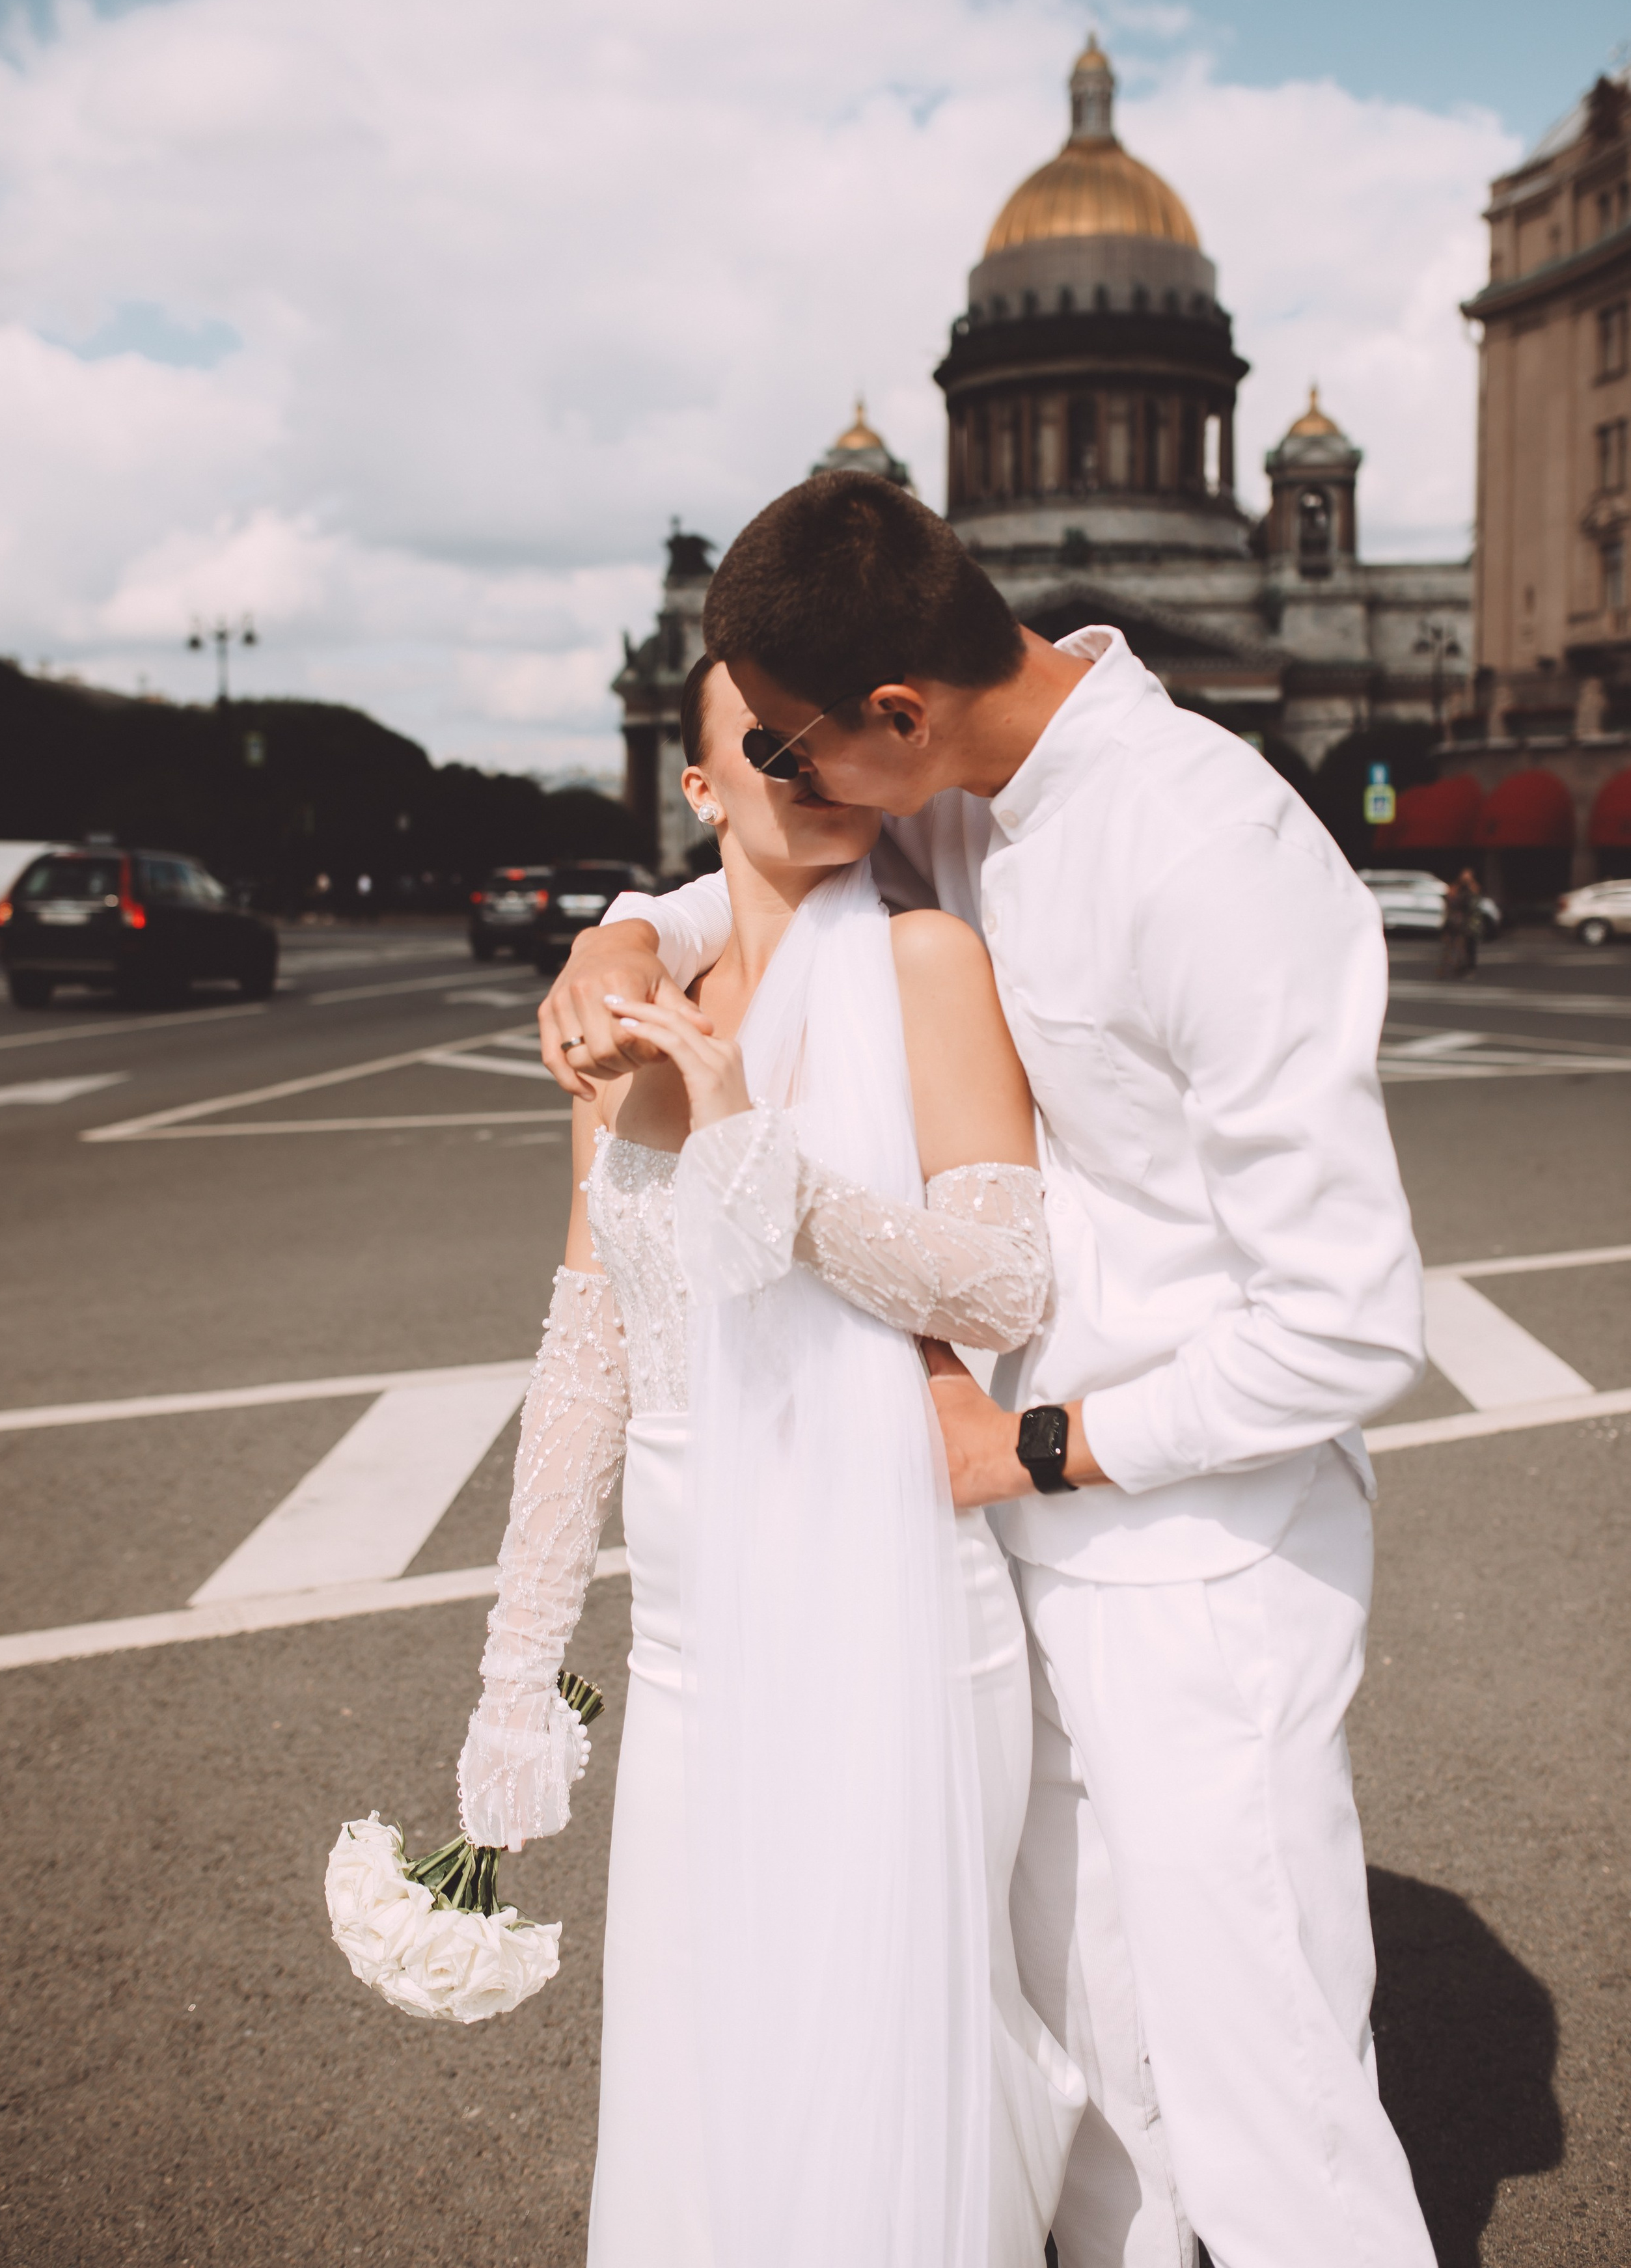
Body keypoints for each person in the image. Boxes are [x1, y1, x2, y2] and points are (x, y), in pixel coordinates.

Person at [541, 473, 1438, 2268]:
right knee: (1086, 2086)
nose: (787, 790)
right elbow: (781, 882)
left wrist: (1039, 1444)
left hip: (1197, 1551)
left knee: (1272, 2114)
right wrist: (635, 926)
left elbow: (1349, 1321)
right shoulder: (954, 785)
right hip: (1004, 1543)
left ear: (898, 712)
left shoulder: (1211, 856)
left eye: (791, 752)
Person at [458, 652, 1084, 2268]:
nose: (800, 755)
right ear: (697, 785)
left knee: (884, 2024)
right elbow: (586, 1345)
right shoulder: (618, 1011)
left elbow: (1002, 1283)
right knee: (703, 2027)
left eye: (825, 725)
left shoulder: (928, 958)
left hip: (888, 1588)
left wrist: (757, 1156)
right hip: (692, 1624)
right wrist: (515, 1673)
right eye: (760, 735)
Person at [1440, 866, 1481, 980]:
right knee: (1451, 946)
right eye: (1464, 874)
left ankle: (1468, 968)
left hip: (1469, 924)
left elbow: (1473, 906)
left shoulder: (1473, 888)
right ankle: (1450, 968)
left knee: (1469, 947)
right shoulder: (1456, 888)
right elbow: (1450, 904)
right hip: (1456, 922)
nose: (1466, 877)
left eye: (1468, 875)